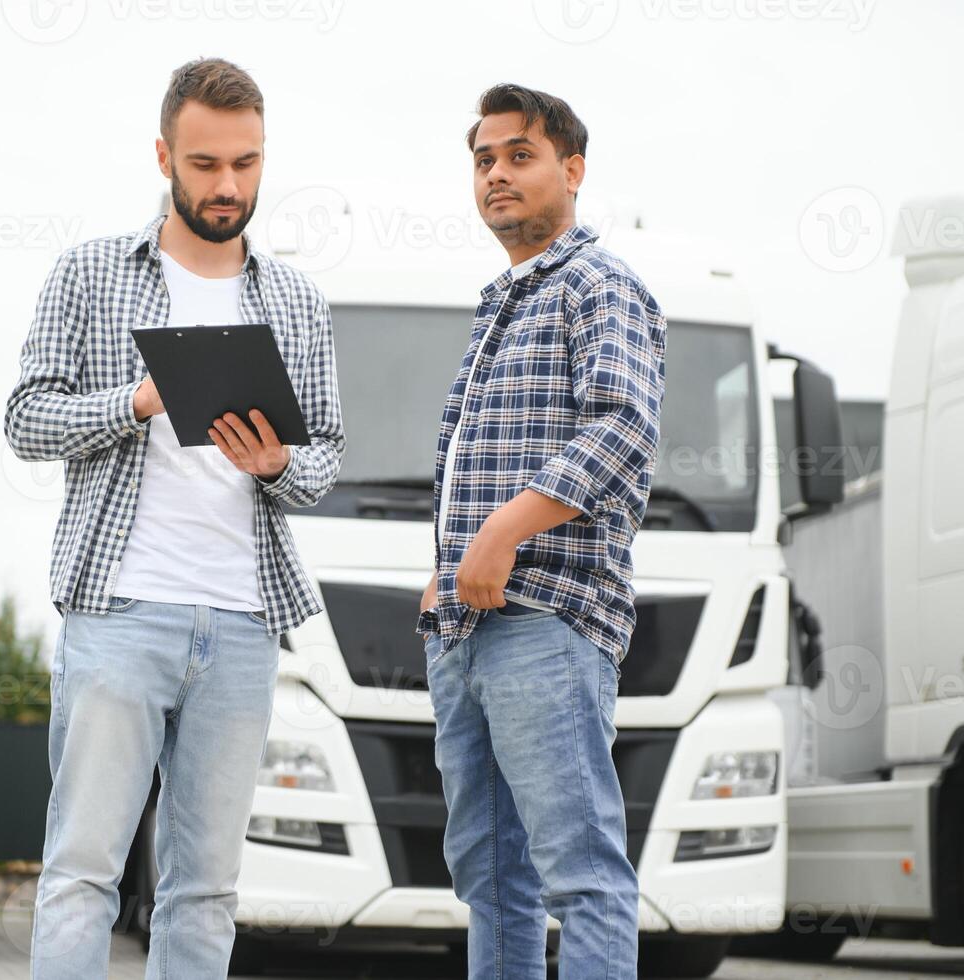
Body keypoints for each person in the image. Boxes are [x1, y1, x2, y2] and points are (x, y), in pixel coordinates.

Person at [3, 56, 345, 980]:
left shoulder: (297, 303)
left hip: (241, 626)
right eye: (204, 164)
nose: (227, 185)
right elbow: (24, 419)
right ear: (164, 155)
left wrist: (277, 463)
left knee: (206, 889)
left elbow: (325, 461)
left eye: (245, 163)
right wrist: (138, 401)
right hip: (119, 613)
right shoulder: (89, 274)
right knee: (82, 872)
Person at [415, 82, 668, 980]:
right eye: (483, 159)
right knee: (490, 881)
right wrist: (447, 565)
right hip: (466, 629)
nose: (495, 174)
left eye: (518, 155)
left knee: (581, 876)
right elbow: (476, 454)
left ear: (573, 169)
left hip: (549, 625)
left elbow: (623, 426)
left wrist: (498, 536)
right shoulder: (502, 301)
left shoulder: (600, 285)